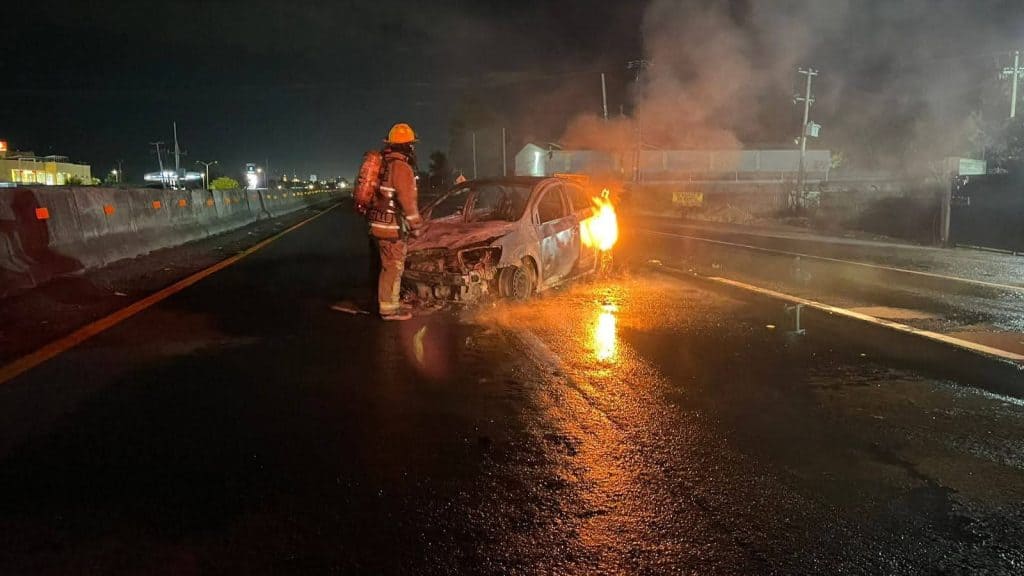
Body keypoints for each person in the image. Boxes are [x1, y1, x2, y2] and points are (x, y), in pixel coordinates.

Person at [366, 123, 424, 321]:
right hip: (391, 228)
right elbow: (408, 202)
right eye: (411, 145)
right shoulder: (401, 168)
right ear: (407, 146)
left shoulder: (383, 164)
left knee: (385, 265)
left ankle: (388, 301)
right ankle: (389, 308)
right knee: (394, 265)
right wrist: (416, 226)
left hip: (376, 225)